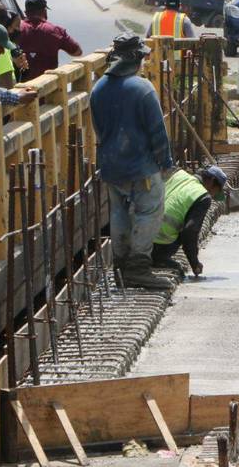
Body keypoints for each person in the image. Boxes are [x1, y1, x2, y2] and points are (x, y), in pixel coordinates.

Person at [90, 35, 176, 290]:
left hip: (111, 166)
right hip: (141, 167)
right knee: (149, 210)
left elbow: (98, 128)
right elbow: (157, 132)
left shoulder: (98, 89)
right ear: (135, 59)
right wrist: (166, 162)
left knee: (118, 214)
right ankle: (138, 267)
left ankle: (120, 265)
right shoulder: (143, 89)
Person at [151, 165, 229, 278]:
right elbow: (190, 232)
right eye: (216, 192)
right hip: (158, 242)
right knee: (183, 229)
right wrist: (194, 263)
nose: (213, 196)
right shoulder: (203, 196)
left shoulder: (179, 175)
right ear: (212, 182)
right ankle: (158, 259)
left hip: (139, 235)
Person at [16, 0, 82, 81]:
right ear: (44, 11)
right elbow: (77, 52)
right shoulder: (54, 30)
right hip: (48, 85)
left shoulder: (16, 29)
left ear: (25, 12)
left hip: (20, 87)